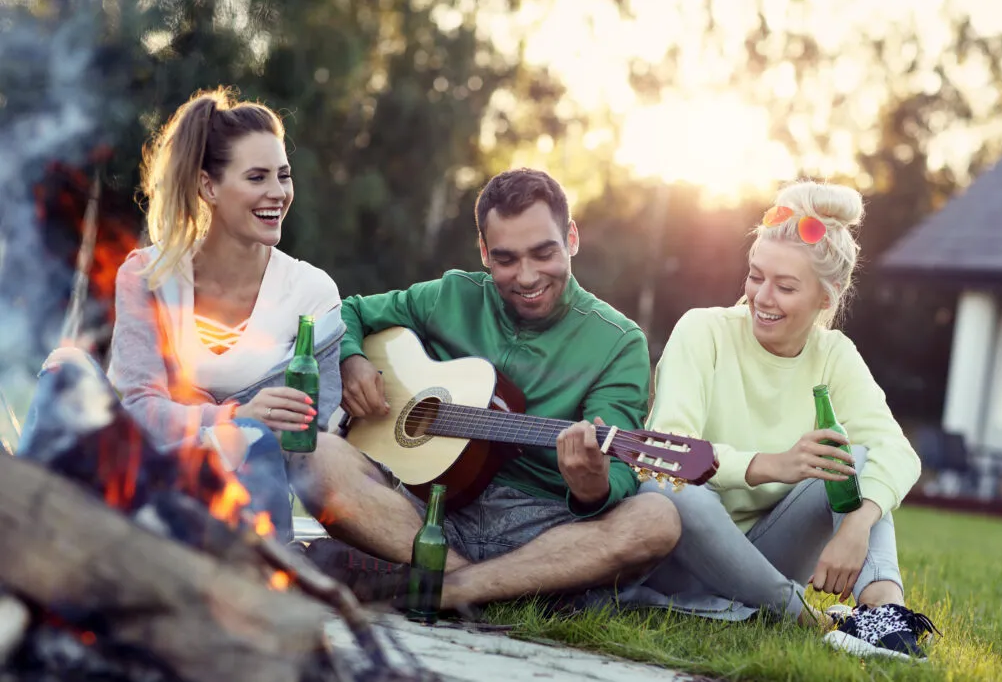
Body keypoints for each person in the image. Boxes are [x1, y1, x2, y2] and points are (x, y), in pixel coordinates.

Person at [292, 168, 681, 611]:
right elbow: (351, 312)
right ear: (483, 252)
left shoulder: (619, 341)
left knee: (657, 518)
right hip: (422, 507)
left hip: (541, 530)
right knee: (311, 451)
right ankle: (509, 590)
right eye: (507, 259)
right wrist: (352, 360)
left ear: (571, 238)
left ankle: (448, 587)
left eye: (543, 253)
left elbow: (618, 475)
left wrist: (592, 485)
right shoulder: (450, 294)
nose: (528, 276)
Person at [18, 87, 344, 543]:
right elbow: (139, 408)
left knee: (249, 438)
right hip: (144, 465)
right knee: (65, 367)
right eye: (256, 177)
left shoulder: (311, 292)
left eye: (283, 176)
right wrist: (231, 413)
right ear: (208, 186)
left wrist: (225, 422)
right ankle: (19, 526)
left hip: (234, 483)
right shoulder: (149, 275)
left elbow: (315, 424)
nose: (278, 193)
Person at [640, 181, 939, 660]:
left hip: (771, 551)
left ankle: (886, 619)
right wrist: (770, 465)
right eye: (756, 276)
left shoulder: (834, 354)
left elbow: (897, 452)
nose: (762, 297)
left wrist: (857, 524)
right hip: (690, 548)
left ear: (826, 298)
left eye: (785, 286)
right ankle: (798, 612)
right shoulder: (703, 331)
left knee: (856, 458)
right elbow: (665, 451)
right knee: (666, 489)